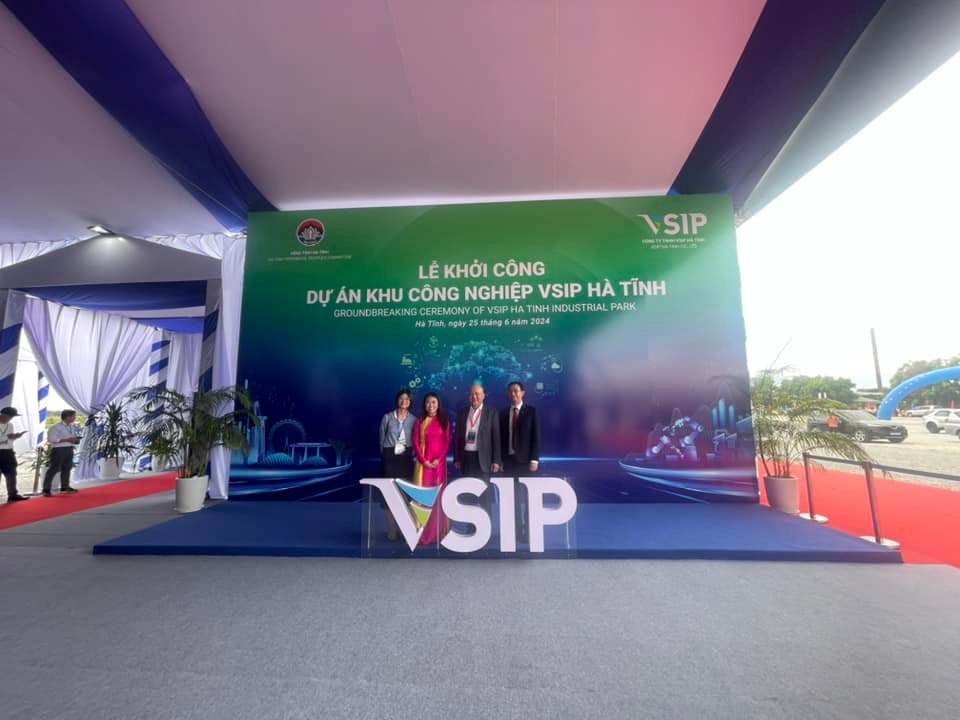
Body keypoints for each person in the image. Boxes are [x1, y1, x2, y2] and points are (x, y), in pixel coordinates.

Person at [499, 381, 541, 543]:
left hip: (526, 463)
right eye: (510, 391)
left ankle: (529, 532)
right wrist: (500, 460)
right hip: (509, 463)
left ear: (523, 393)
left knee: (529, 499)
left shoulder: (531, 411)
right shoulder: (503, 413)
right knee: (512, 499)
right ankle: (516, 532)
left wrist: (534, 459)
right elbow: (501, 439)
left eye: (516, 391)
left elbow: (536, 437)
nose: (513, 394)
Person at [454, 383, 501, 513]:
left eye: (477, 394)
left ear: (483, 396)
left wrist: (496, 461)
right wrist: (457, 458)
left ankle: (486, 524)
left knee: (485, 495)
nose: (474, 397)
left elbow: (496, 438)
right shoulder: (463, 413)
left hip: (483, 459)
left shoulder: (492, 413)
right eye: (472, 394)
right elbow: (457, 437)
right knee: (468, 494)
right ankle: (471, 523)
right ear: (468, 396)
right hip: (466, 459)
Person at [412, 392, 451, 546]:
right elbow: (415, 443)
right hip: (423, 467)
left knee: (438, 499)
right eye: (428, 402)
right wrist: (424, 461)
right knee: (423, 499)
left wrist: (438, 460)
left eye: (434, 402)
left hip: (439, 466)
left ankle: (438, 531)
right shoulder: (420, 421)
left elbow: (447, 443)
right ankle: (423, 533)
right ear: (424, 405)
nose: (431, 405)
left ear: (438, 404)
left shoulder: (444, 421)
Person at [378, 390, 417, 542]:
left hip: (405, 459)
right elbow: (381, 439)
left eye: (407, 399)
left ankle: (405, 529)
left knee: (405, 496)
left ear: (410, 402)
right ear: (397, 400)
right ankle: (391, 530)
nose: (404, 401)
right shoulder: (387, 417)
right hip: (389, 458)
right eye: (401, 398)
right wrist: (386, 455)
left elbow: (416, 440)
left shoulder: (414, 419)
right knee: (388, 496)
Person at [43, 409, 82, 497]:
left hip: (69, 448)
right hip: (59, 449)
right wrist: (66, 440)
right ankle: (46, 489)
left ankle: (65, 486)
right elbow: (51, 439)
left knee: (67, 468)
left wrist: (75, 440)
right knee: (54, 469)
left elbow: (70, 437)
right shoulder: (56, 427)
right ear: (67, 417)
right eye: (73, 416)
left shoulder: (71, 426)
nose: (75, 418)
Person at [0, 406, 28, 503]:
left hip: (8, 451)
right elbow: (5, 438)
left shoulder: (10, 425)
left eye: (12, 417)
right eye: (10, 416)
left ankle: (13, 495)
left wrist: (15, 437)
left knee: (12, 473)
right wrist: (6, 437)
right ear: (3, 415)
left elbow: (9, 440)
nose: (10, 419)